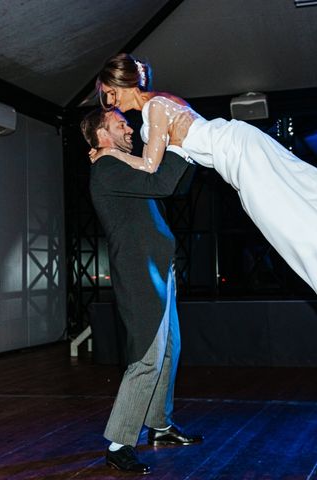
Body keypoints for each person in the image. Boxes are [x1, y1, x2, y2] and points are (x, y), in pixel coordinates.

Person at [93, 53, 317, 349]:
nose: (108, 104)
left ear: (116, 87)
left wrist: (110, 154)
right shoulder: (162, 102)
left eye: (106, 96)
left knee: (289, 222)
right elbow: (171, 168)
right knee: (306, 206)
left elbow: (152, 167)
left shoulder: (155, 108)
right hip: (239, 155)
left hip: (240, 154)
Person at [80, 107, 203, 475]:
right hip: (138, 272)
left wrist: (186, 153)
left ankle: (160, 426)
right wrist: (178, 144)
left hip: (158, 268)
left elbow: (173, 183)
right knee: (148, 356)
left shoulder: (125, 164)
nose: (130, 128)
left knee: (168, 352)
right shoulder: (106, 168)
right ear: (102, 135)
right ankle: (119, 443)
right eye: (121, 124)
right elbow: (162, 183)